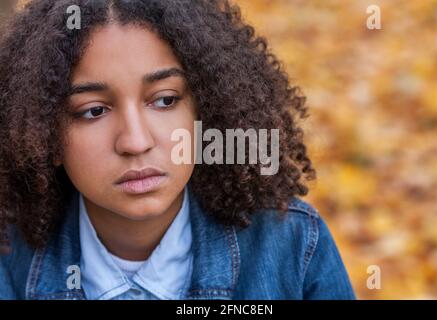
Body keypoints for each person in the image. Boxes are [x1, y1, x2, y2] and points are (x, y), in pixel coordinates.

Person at [0, 0, 355, 300]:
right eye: (93, 111)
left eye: (165, 100)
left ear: (207, 110)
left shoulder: (292, 245)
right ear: (44, 133)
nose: (136, 142)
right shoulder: (8, 261)